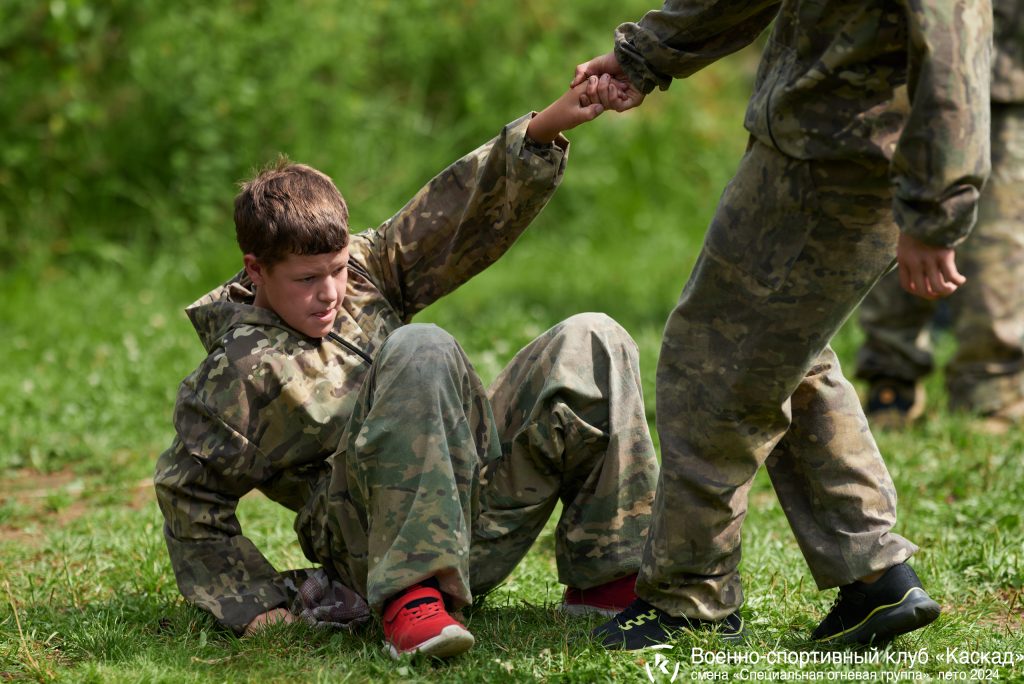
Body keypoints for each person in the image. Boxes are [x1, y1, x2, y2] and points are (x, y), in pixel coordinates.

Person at [153, 81, 660, 660]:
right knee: (422, 347)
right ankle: (411, 598)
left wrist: (541, 131)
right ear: (257, 269)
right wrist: (250, 603)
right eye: (306, 279)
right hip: (373, 547)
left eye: (338, 269)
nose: (329, 294)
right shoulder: (236, 371)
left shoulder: (366, 275)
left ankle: (610, 578)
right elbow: (187, 492)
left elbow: (451, 213)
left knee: (594, 338)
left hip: (478, 512)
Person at [570, 0, 992, 650]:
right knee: (780, 349)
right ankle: (873, 572)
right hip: (803, 147)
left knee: (713, 357)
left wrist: (937, 209)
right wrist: (644, 55)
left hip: (846, 163)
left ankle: (690, 601)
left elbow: (955, 55)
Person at [856, 0, 1024, 434]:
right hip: (913, 53)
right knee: (894, 211)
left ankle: (990, 390)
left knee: (997, 230)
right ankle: (891, 378)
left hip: (1003, 60)